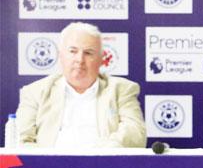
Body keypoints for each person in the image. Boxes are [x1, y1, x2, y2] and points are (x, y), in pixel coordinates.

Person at [15, 22, 146, 148]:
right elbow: (22, 141)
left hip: (105, 167)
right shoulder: (35, 92)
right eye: (73, 51)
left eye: (88, 53)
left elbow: (135, 134)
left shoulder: (121, 89)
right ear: (61, 56)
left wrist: (100, 154)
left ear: (101, 59)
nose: (80, 60)